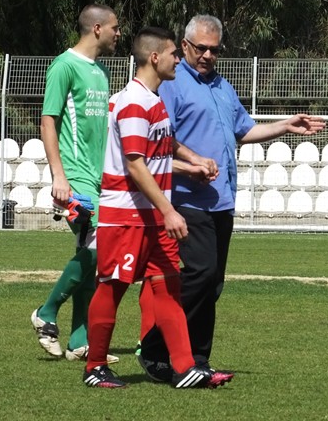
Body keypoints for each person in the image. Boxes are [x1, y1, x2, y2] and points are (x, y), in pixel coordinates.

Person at [137, 14, 326, 381]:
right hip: (187, 200)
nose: (208, 55)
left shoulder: (223, 86)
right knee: (200, 275)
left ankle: (197, 359)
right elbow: (160, 141)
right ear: (185, 46)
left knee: (213, 284)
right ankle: (156, 348)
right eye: (201, 48)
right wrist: (191, 166)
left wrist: (285, 126)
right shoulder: (173, 85)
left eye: (214, 49)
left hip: (222, 201)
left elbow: (244, 130)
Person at [82, 27, 229, 389]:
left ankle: (185, 367)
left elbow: (162, 149)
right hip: (126, 216)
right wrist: (169, 210)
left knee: (168, 289)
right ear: (154, 57)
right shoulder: (134, 101)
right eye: (173, 54)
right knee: (112, 288)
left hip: (150, 217)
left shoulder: (154, 99)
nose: (178, 60)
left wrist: (193, 160)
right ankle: (95, 367)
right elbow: (136, 165)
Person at [31, 4, 121, 363]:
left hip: (98, 181)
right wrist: (59, 175)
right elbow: (48, 121)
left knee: (94, 255)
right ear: (97, 28)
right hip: (74, 178)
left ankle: (79, 341)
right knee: (99, 246)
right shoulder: (64, 66)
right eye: (115, 27)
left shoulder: (101, 72)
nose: (119, 34)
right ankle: (46, 312)